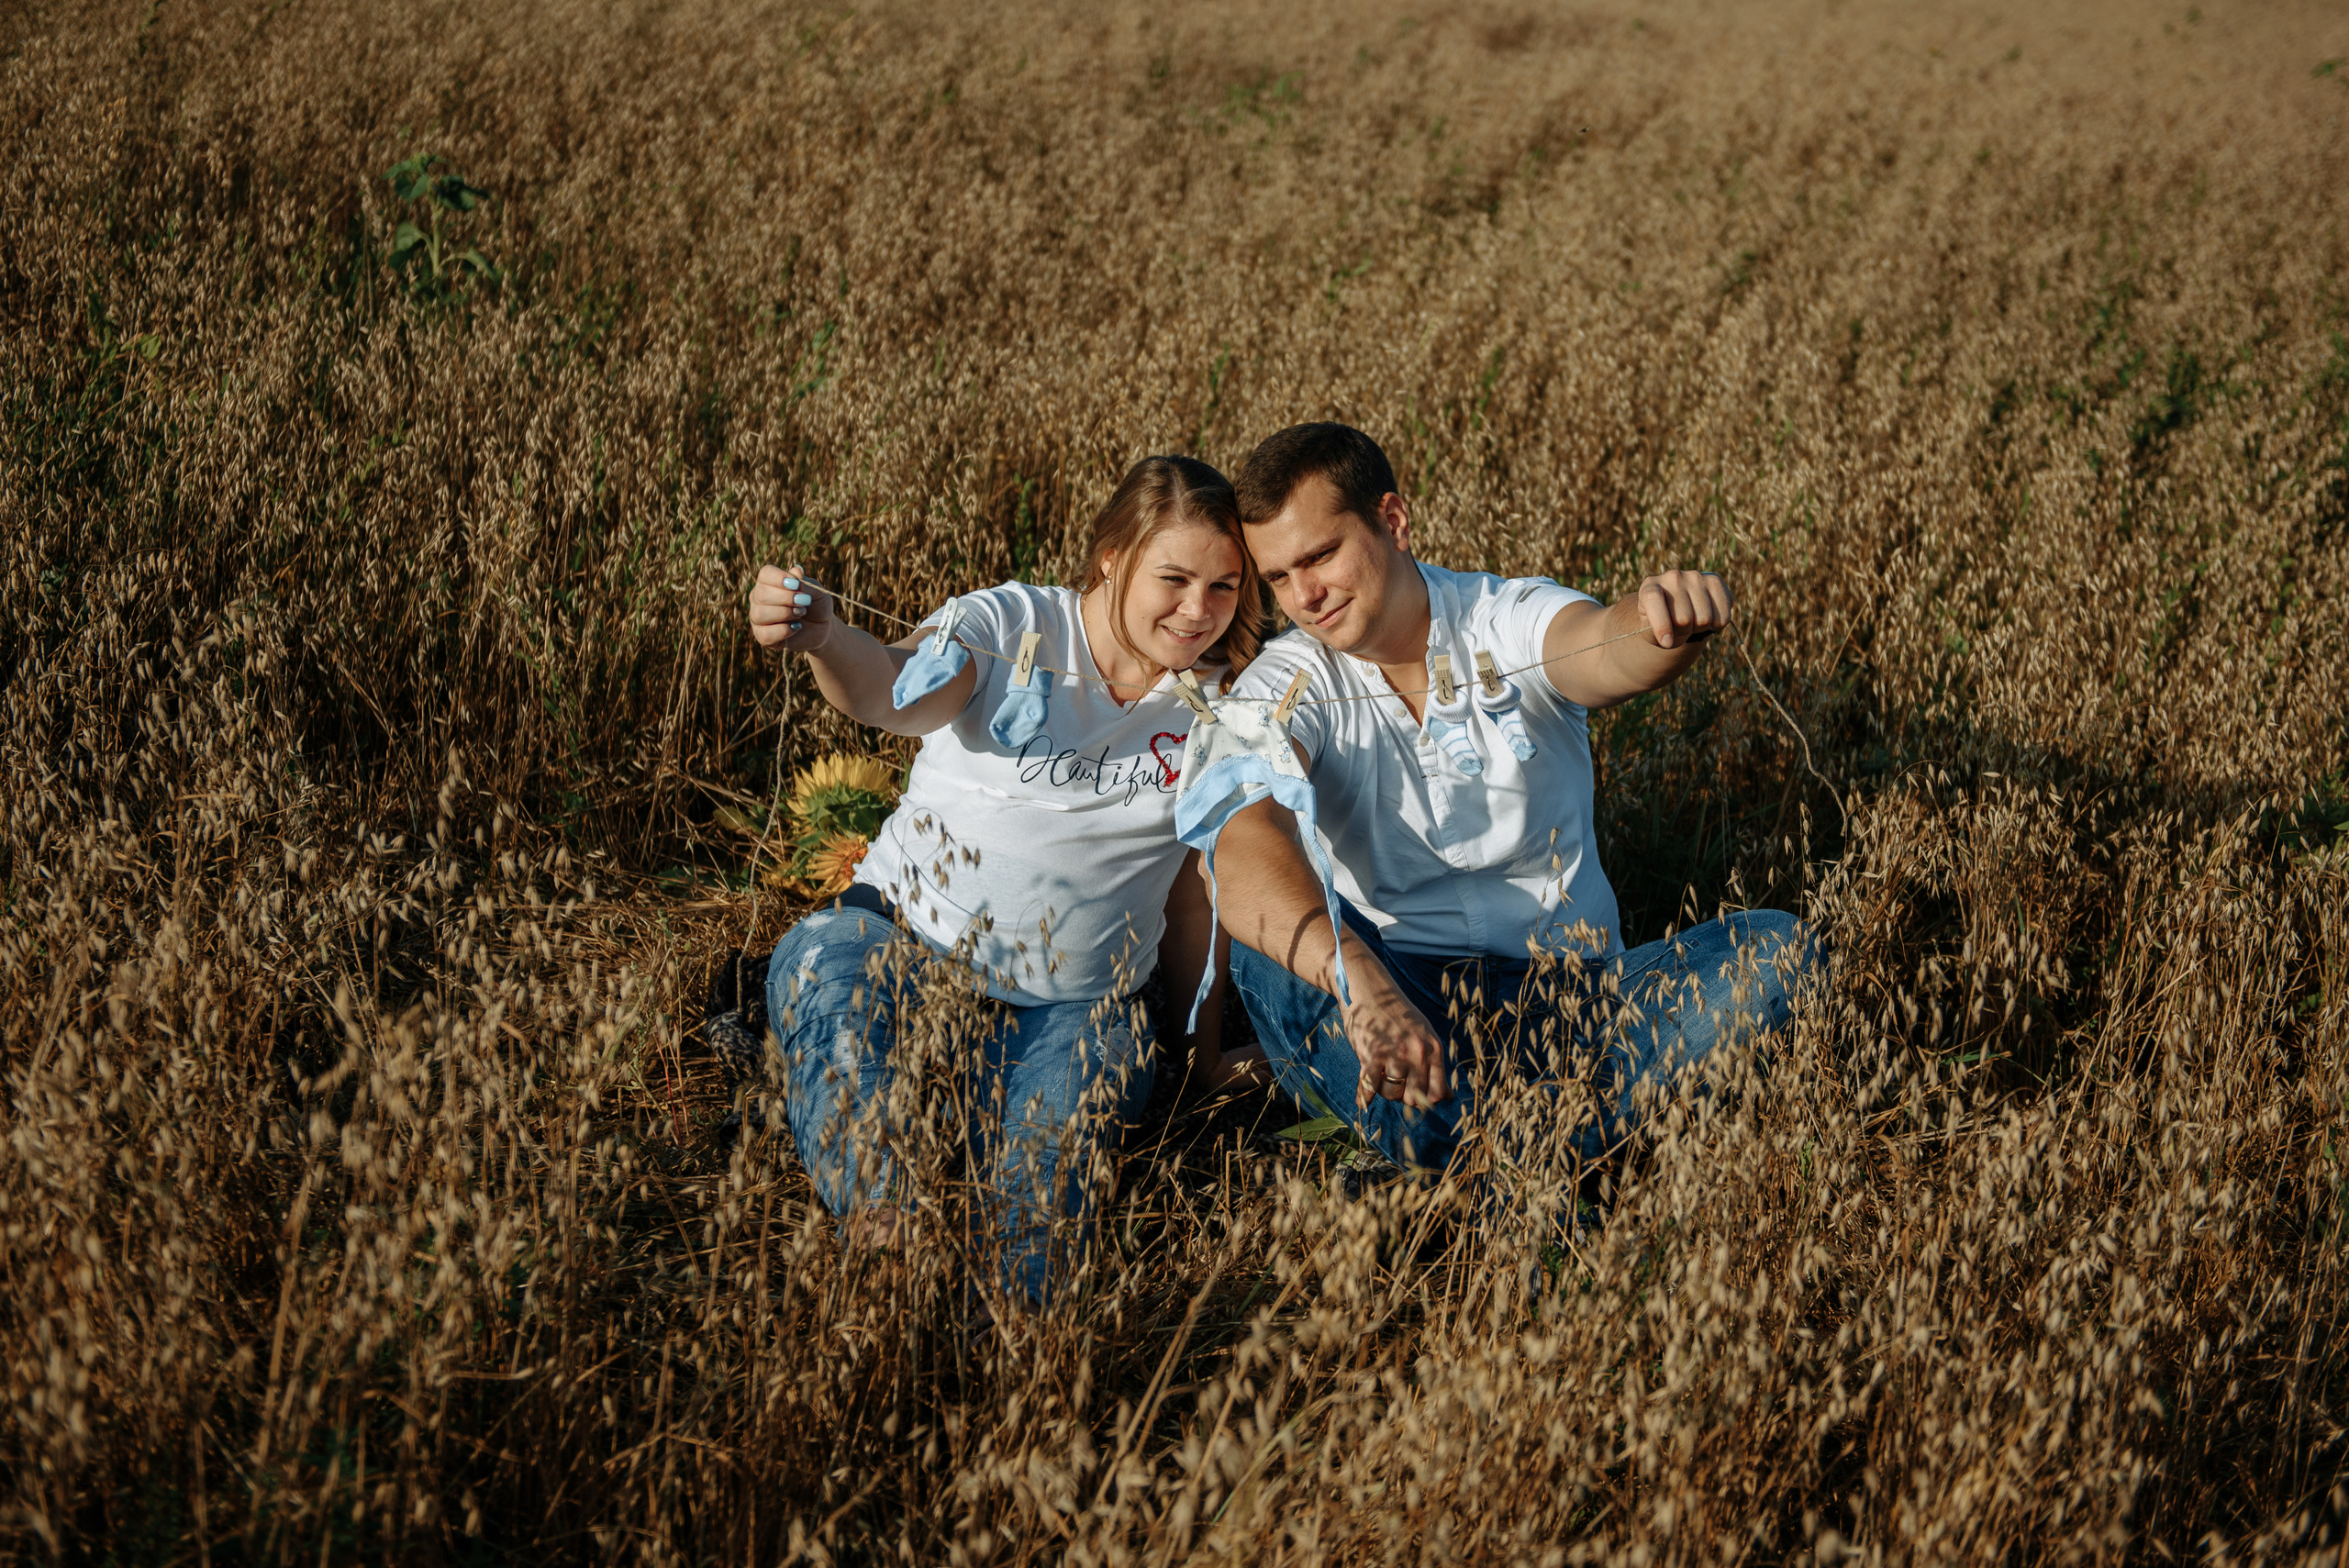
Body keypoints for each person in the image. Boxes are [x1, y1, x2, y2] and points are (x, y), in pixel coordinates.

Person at [1205, 422, 1817, 1187]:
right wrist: (1360, 979)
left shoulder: (1502, 615)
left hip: (1579, 1001)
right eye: (1278, 577)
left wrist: (1664, 620)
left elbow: (1602, 645)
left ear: (1392, 520)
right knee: (1274, 954)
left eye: (1321, 555)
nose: (1305, 597)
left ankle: (1450, 1157)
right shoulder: (1285, 679)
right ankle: (1542, 1147)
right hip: (1400, 997)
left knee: (1779, 951)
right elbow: (1239, 840)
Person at [745, 456, 1266, 1303]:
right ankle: (888, 1243)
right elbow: (893, 690)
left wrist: (1201, 1056)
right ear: (1111, 560)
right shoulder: (1014, 624)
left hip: (1079, 1005)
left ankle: (1010, 1337)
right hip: (898, 943)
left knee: (1040, 1208)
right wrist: (826, 640)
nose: (1197, 611)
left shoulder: (1222, 700)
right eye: (1174, 579)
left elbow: (1192, 890)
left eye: (1223, 587)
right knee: (823, 986)